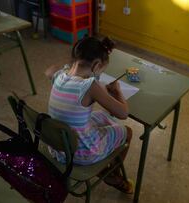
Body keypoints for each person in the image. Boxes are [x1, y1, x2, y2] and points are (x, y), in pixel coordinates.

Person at [45, 36, 133, 194]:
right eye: (101, 71)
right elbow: (123, 113)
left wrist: (70, 65)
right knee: (127, 131)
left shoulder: (59, 75)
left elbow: (49, 71)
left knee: (101, 115)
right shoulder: (90, 85)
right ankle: (111, 174)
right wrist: (118, 92)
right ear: (97, 65)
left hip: (58, 146)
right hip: (82, 153)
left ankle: (107, 165)